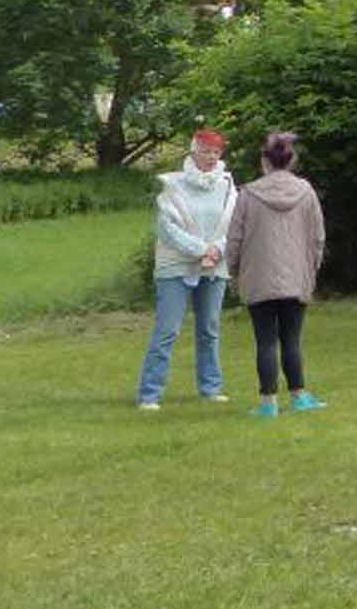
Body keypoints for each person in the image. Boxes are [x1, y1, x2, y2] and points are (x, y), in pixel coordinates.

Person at [225, 131, 328, 418]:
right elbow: (318, 237)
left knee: (266, 341)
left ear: (264, 162)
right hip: (297, 277)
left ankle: (268, 403)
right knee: (292, 340)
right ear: (291, 160)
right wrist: (311, 268)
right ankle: (299, 396)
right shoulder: (306, 192)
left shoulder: (248, 194)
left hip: (258, 277)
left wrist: (233, 270)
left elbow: (234, 238)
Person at [136, 128, 238, 410]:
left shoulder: (227, 185)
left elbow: (235, 224)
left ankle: (211, 387)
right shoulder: (173, 185)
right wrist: (201, 249)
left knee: (209, 329)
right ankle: (149, 393)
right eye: (206, 151)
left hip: (215, 265)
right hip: (176, 266)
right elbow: (168, 229)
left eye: (216, 153)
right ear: (194, 150)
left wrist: (216, 249)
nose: (210, 157)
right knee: (167, 330)